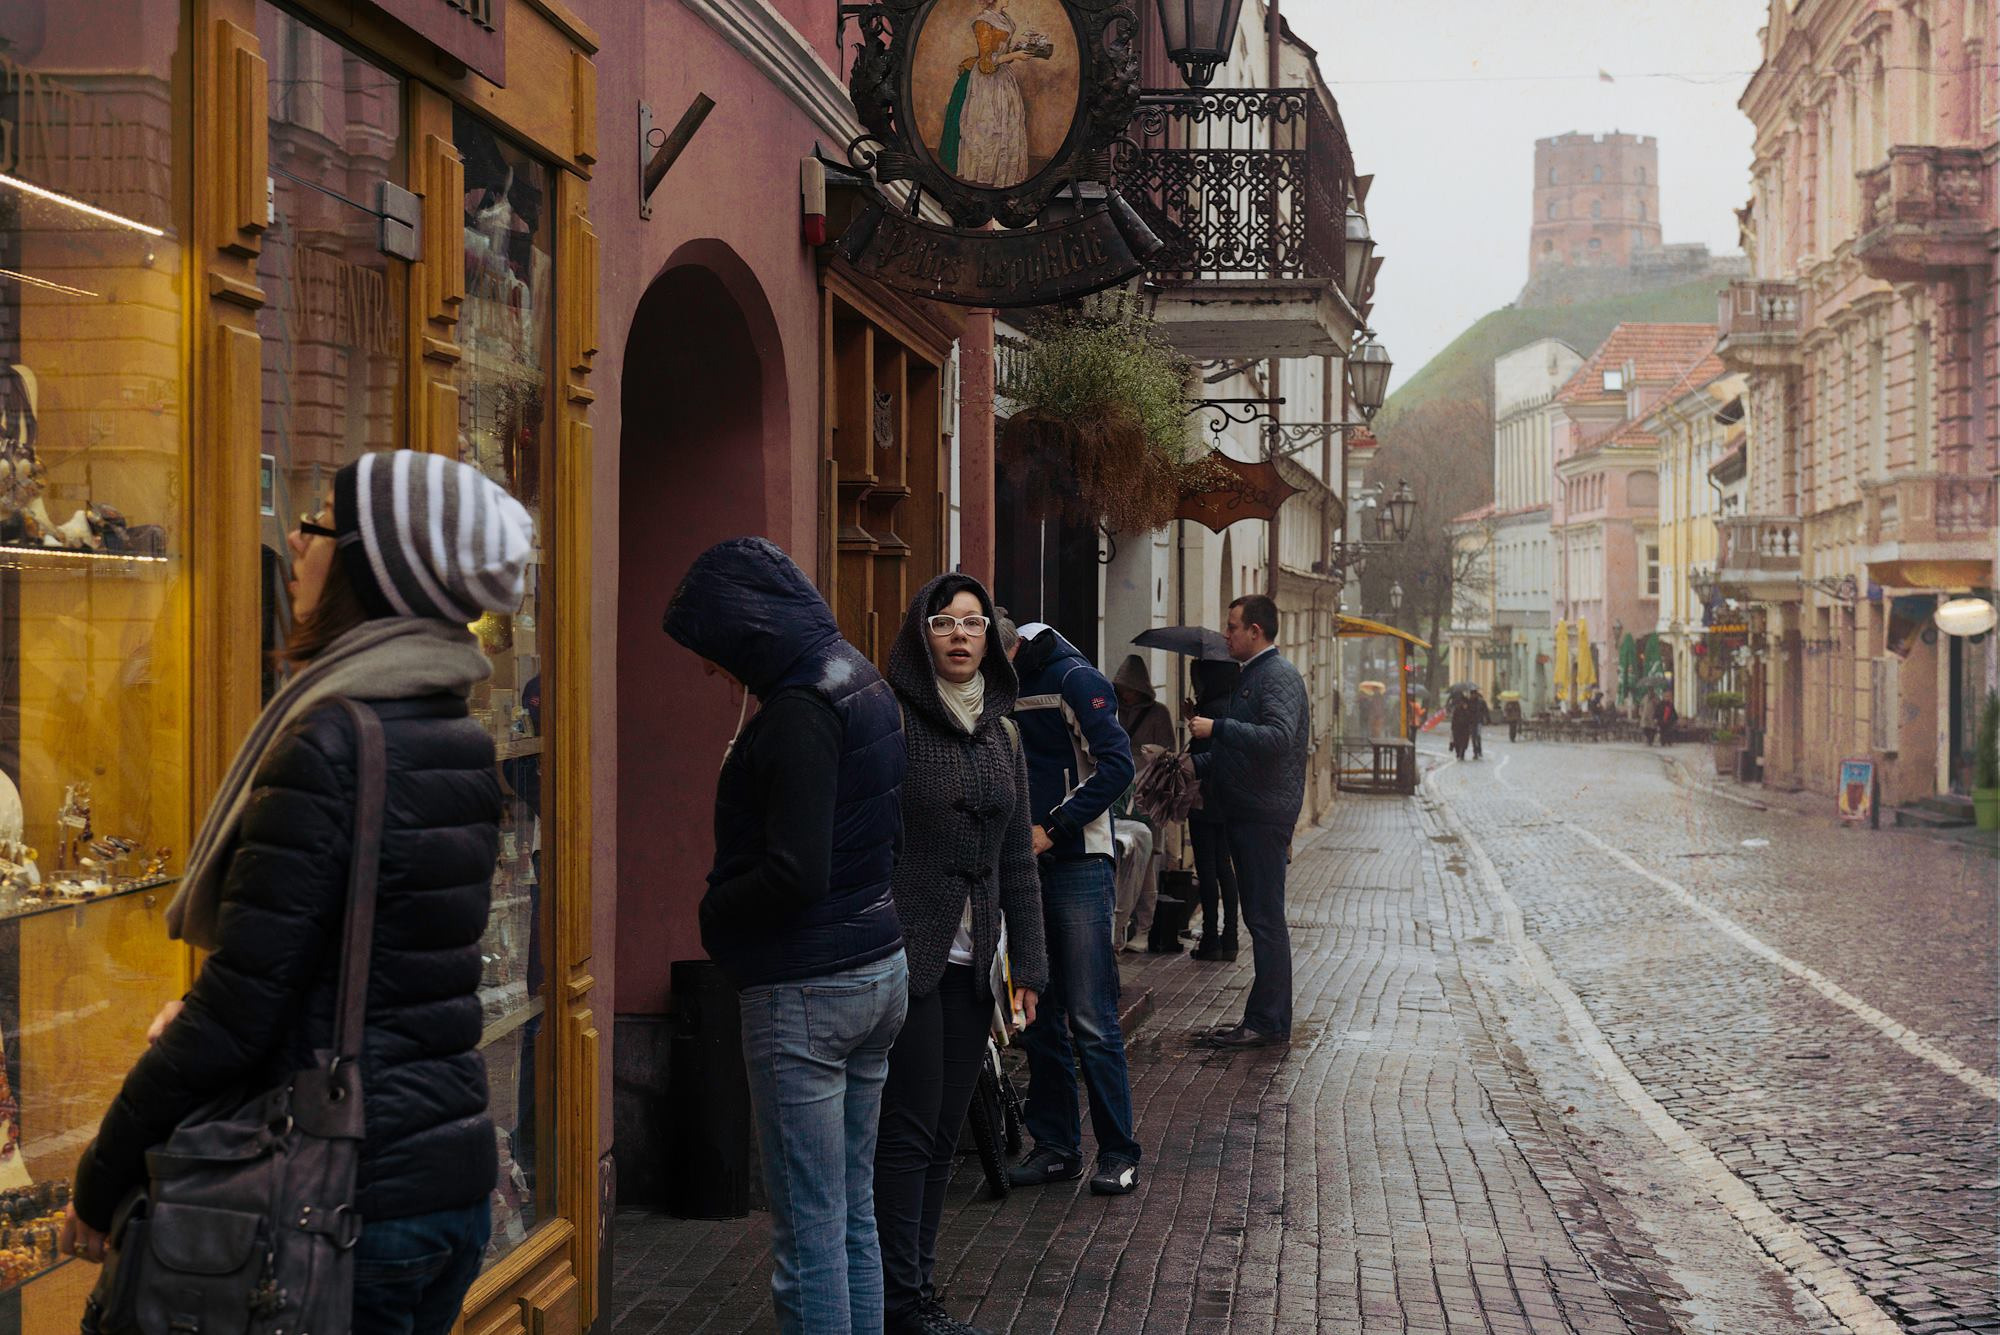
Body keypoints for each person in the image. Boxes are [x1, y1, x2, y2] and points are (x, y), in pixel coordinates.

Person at [63, 451, 534, 1332]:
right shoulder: (453, 732)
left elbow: (243, 1008)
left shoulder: (330, 743)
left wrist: (104, 1172)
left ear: (366, 567)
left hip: (345, 1202)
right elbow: (378, 966)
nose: (295, 539)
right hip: (446, 1180)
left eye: (317, 523)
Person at [664, 537, 909, 1335]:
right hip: (874, 962)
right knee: (851, 1210)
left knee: (809, 1231)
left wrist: (714, 912)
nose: (710, 670)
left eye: (714, 649)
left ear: (748, 631)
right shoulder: (859, 677)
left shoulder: (802, 708)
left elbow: (795, 872)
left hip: (810, 984)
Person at [875, 575, 1048, 1335]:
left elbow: (1018, 859)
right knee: (908, 1132)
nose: (958, 634)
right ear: (922, 632)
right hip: (909, 957)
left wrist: (1031, 970)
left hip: (976, 963)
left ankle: (914, 1290)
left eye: (972, 623)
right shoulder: (893, 722)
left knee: (945, 1135)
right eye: (943, 620)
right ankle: (898, 1299)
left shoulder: (1005, 733)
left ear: (990, 639)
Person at [996, 613, 1143, 1195]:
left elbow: (1117, 767)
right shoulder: (1000, 688)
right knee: (1038, 1015)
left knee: (1090, 1016)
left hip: (1078, 863)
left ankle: (1118, 1153)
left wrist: (1053, 828)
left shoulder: (1075, 679)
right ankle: (1056, 1147)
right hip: (1022, 869)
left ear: (1006, 645)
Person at [1188, 595, 1309, 1050]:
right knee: (1262, 918)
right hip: (1250, 809)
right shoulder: (1255, 676)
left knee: (1264, 920)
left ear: (1256, 631)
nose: (1227, 635)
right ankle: (1265, 1018)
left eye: (1233, 627)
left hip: (1262, 814)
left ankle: (1268, 1022)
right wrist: (1195, 765)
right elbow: (1243, 748)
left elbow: (1278, 738)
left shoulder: (1276, 675)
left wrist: (1216, 729)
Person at [1111, 654, 1175, 953]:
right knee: (1122, 859)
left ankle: (1144, 928)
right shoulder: (1113, 710)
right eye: (1122, 687)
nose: (1126, 693)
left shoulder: (1158, 713)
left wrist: (1158, 755)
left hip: (1148, 797)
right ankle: (1120, 924)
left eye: (1130, 688)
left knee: (1147, 863)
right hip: (1118, 793)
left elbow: (1171, 757)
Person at [1186, 659, 1241, 962]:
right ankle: (1229, 937)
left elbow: (1210, 755)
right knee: (1223, 866)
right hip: (1227, 798)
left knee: (1207, 868)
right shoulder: (1229, 704)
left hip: (1206, 797)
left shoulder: (1213, 710)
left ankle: (1211, 938)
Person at [1450, 691, 1474, 761]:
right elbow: (1454, 719)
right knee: (1457, 741)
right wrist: (1452, 727)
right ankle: (1458, 753)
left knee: (1464, 742)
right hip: (1457, 728)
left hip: (1465, 728)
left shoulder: (1468, 709)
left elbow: (1470, 718)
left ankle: (1462, 753)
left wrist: (1467, 711)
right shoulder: (1457, 709)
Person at [1468, 688, 1490, 760]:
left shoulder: (1481, 702)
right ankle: (1475, 752)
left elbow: (1486, 710)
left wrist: (1487, 718)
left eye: (1474, 694)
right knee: (1473, 738)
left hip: (1479, 722)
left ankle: (1479, 750)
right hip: (1471, 722)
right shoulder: (1469, 702)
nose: (1473, 696)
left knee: (1478, 736)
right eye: (1471, 694)